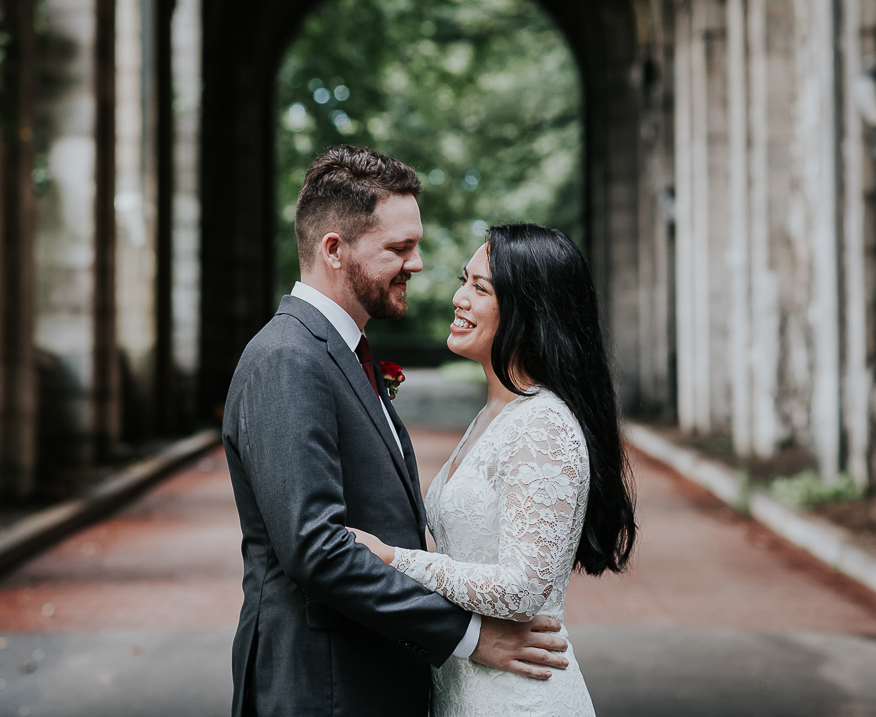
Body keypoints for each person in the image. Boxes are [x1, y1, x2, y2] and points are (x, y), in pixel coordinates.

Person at [222, 147, 571, 717]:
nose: (417, 263)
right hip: (322, 686)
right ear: (334, 249)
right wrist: (468, 636)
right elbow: (317, 549)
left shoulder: (343, 353)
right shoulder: (287, 358)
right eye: (399, 248)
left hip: (372, 677)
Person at [349, 223, 638, 716]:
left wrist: (395, 560)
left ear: (529, 311)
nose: (459, 297)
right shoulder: (494, 415)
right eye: (465, 280)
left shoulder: (543, 424)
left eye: (480, 288)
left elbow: (523, 588)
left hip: (520, 696)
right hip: (469, 687)